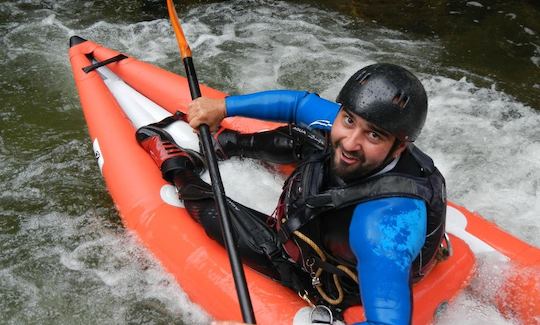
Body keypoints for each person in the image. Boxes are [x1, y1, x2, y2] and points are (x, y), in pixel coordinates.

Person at [136, 63, 447, 325]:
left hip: (335, 274)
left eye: (373, 135)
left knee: (219, 216)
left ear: (400, 146)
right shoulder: (349, 126)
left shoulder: (381, 228)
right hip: (353, 225)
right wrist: (223, 106)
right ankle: (229, 143)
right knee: (313, 138)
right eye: (349, 120)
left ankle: (178, 166)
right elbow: (298, 105)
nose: (352, 141)